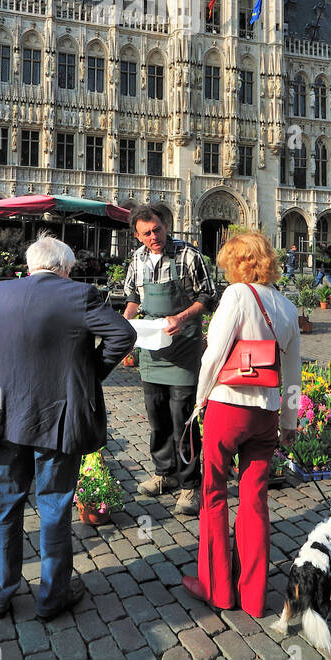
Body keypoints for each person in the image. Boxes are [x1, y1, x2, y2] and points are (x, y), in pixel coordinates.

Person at [0, 234, 135, 620]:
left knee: (4, 505)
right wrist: (90, 372)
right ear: (64, 267)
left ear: (29, 266)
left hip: (0, 412)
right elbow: (123, 334)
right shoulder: (77, 294)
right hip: (55, 414)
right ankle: (52, 596)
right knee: (54, 505)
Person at [181, 231, 301, 617]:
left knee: (214, 494)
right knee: (255, 501)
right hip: (265, 413)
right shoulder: (286, 306)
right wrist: (290, 418)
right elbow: (294, 372)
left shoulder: (236, 295)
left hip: (227, 407)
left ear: (236, 263)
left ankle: (216, 589)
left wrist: (199, 400)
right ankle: (252, 597)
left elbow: (214, 354)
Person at [123, 205, 216, 516]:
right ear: (137, 235)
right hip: (151, 348)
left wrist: (182, 316)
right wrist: (124, 333)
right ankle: (165, 473)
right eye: (146, 233)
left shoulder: (187, 255)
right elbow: (134, 300)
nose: (154, 237)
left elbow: (207, 296)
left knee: (183, 421)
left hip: (183, 349)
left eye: (157, 230)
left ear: (166, 225)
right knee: (157, 417)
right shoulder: (137, 258)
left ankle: (190, 485)